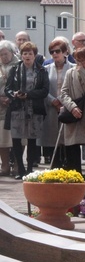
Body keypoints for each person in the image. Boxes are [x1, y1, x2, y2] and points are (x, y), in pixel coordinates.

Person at [4, 42, 48, 178]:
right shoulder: (15, 69)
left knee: (32, 140)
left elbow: (44, 91)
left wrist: (28, 95)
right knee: (16, 139)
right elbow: (7, 89)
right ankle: (20, 169)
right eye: (24, 53)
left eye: (30, 53)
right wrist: (14, 94)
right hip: (17, 108)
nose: (27, 56)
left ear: (35, 55)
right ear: (21, 55)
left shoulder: (41, 70)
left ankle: (30, 169)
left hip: (34, 108)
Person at [60, 48, 85, 180]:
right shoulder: (70, 73)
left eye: (83, 60)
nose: (80, 63)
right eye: (78, 60)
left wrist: (83, 73)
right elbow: (64, 92)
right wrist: (72, 107)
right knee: (73, 142)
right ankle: (76, 171)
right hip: (75, 110)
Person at [42, 38, 74, 167]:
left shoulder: (73, 68)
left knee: (68, 138)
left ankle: (69, 164)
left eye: (58, 51)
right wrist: (53, 101)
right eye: (52, 52)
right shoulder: (45, 69)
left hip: (67, 107)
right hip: (51, 107)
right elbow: (43, 89)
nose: (55, 54)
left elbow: (73, 88)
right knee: (53, 137)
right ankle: (55, 164)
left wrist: (62, 101)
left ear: (65, 52)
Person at [0, 41, 18, 175]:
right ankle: (5, 166)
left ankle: (18, 165)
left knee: (18, 138)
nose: (3, 57)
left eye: (5, 54)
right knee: (2, 139)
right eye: (1, 54)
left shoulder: (19, 65)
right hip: (1, 107)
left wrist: (12, 97)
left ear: (12, 52)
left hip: (17, 106)